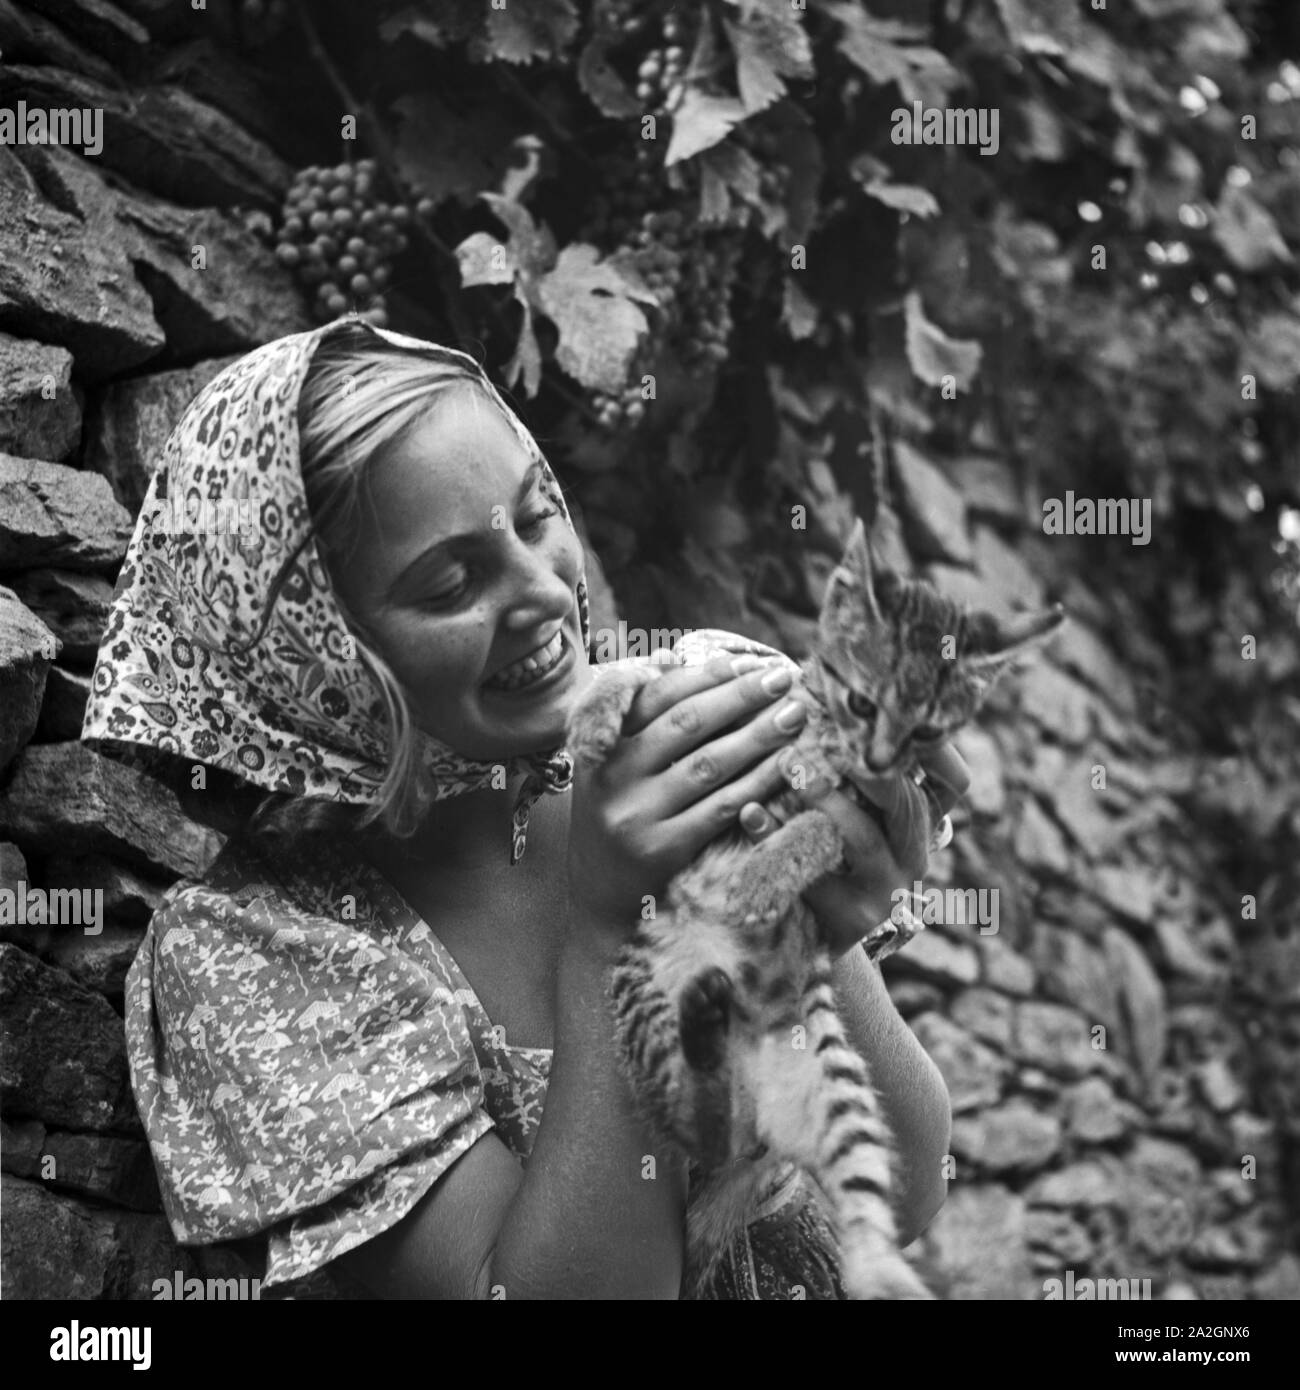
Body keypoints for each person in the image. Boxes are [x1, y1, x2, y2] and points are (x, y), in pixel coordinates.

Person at [82, 315, 962, 1300]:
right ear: (312, 659)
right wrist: (608, 925)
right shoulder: (250, 952)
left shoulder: (687, 741)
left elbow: (910, 1194)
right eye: (451, 581)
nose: (541, 590)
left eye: (536, 512)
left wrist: (809, 931)